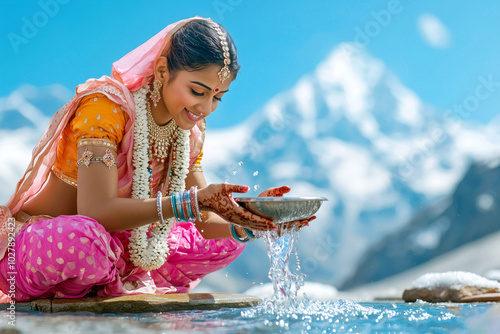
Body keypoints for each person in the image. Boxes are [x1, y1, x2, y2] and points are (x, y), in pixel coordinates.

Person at [0, 17, 313, 302]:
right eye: (197, 91)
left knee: (229, 240)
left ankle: (109, 283)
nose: (206, 108)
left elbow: (204, 222)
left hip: (119, 251)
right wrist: (190, 202)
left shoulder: (186, 131)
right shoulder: (106, 109)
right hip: (45, 244)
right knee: (84, 240)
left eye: (217, 97)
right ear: (163, 71)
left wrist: (256, 220)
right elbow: (95, 211)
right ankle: (102, 283)